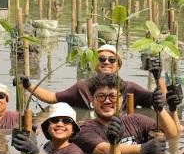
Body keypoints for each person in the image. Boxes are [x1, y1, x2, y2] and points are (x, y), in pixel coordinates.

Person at [18, 44, 157, 110]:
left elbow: (156, 100)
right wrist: (28, 85)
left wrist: (158, 78)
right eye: (102, 59)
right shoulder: (82, 88)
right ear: (94, 64)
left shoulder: (129, 88)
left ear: (118, 65)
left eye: (112, 60)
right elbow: (52, 98)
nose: (107, 62)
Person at [73, 74, 176, 154]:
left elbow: (171, 134)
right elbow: (104, 150)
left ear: (122, 100)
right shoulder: (84, 129)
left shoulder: (136, 120)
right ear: (92, 100)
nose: (107, 101)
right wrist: (143, 149)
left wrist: (160, 109)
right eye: (101, 96)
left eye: (113, 96)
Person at [10, 102, 85, 154]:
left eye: (67, 121)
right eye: (54, 120)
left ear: (73, 130)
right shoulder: (48, 146)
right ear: (47, 127)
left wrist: (34, 152)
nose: (60, 124)